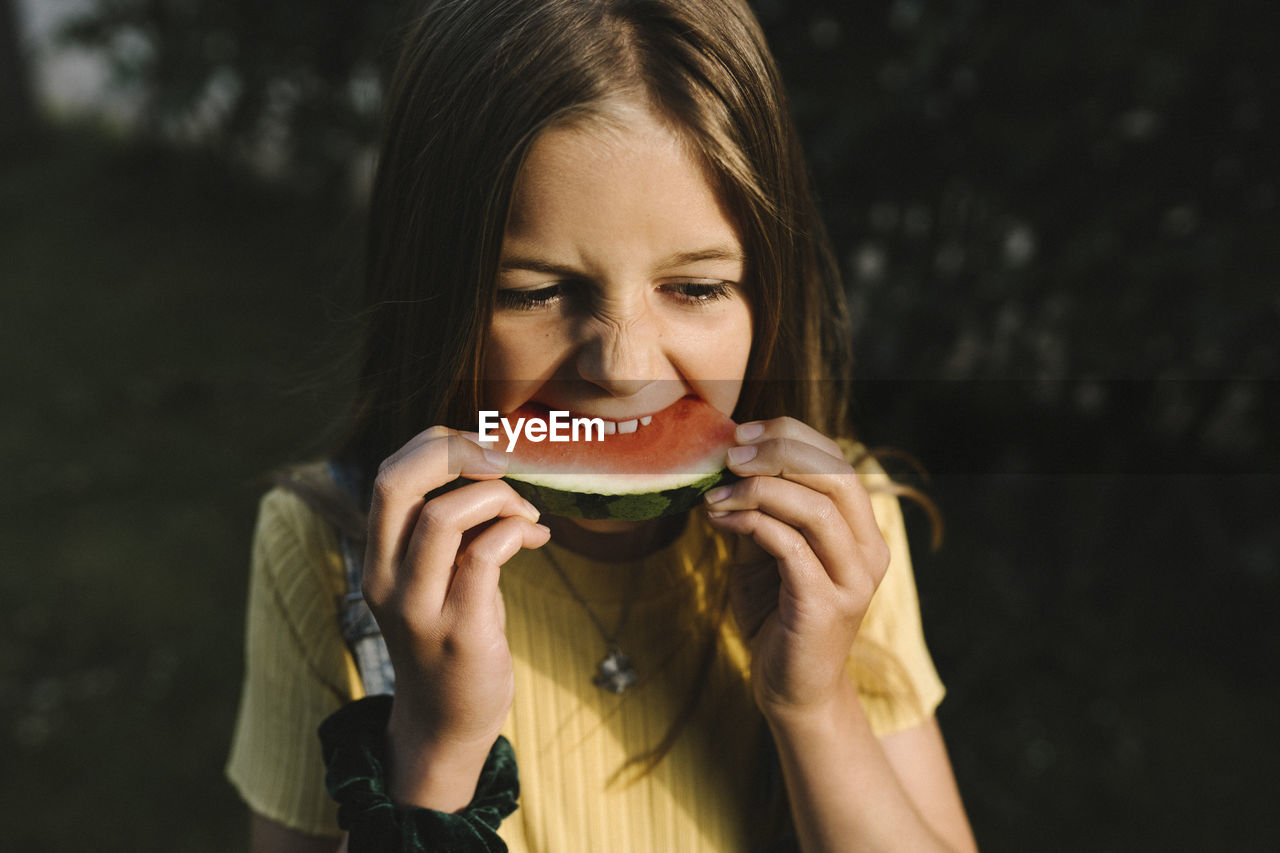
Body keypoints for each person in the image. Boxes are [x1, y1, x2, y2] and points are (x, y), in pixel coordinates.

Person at [226, 0, 978, 850]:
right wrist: (437, 744)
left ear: (769, 294)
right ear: (431, 287)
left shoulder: (835, 528)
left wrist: (815, 703)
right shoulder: (328, 553)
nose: (623, 368)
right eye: (536, 293)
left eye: (695, 289)